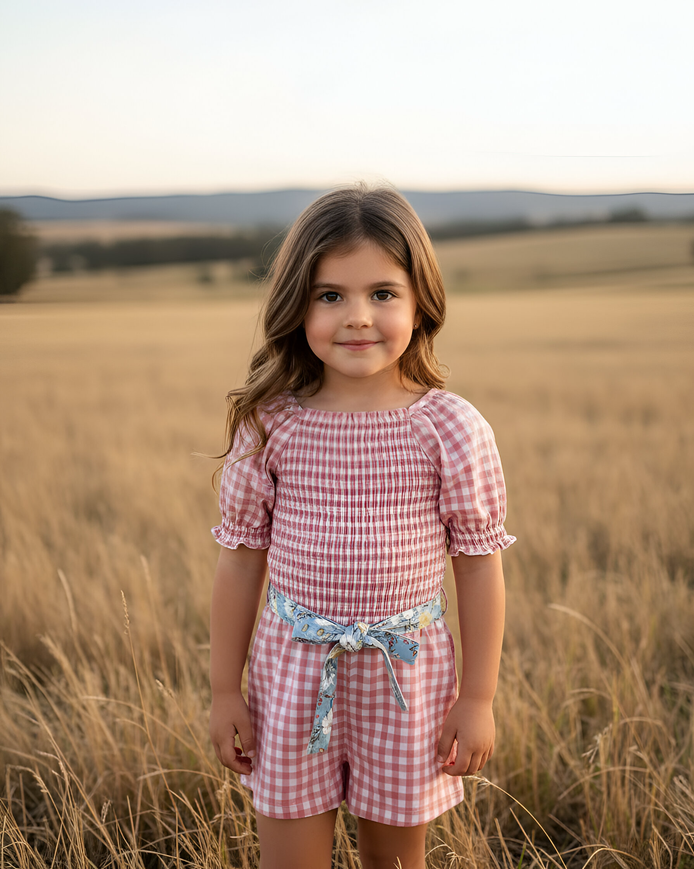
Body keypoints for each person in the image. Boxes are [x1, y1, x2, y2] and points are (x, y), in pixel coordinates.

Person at [208, 183, 515, 869]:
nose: (357, 317)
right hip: (293, 671)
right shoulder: (272, 424)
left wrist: (478, 696)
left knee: (396, 860)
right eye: (330, 295)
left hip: (404, 676)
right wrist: (225, 689)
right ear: (297, 304)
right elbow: (238, 561)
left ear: (420, 302)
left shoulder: (449, 428)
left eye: (382, 293)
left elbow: (478, 564)